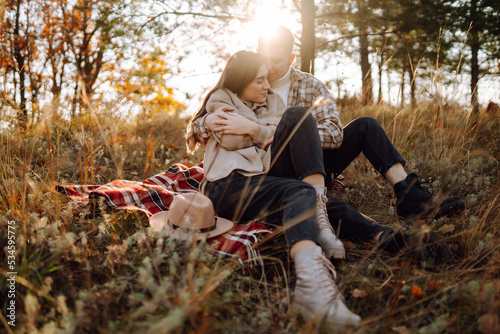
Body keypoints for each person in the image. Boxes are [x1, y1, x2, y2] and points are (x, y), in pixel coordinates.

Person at [190, 26, 465, 254]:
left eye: (276, 60)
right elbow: (208, 121)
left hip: (312, 159)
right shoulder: (248, 77)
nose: (269, 69)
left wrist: (295, 134)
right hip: (270, 166)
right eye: (265, 59)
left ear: (291, 57)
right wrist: (208, 122)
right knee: (309, 190)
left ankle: (409, 193)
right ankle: (383, 237)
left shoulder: (311, 86)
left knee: (363, 125)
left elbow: (334, 135)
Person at [186, 50, 361, 329]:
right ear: (240, 81)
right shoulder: (221, 98)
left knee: (299, 137)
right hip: (226, 187)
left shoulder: (273, 100)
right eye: (259, 80)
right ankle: (319, 252)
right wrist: (263, 131)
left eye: (267, 79)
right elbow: (231, 139)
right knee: (296, 169)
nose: (267, 86)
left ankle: (310, 279)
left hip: (260, 180)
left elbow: (285, 130)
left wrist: (252, 129)